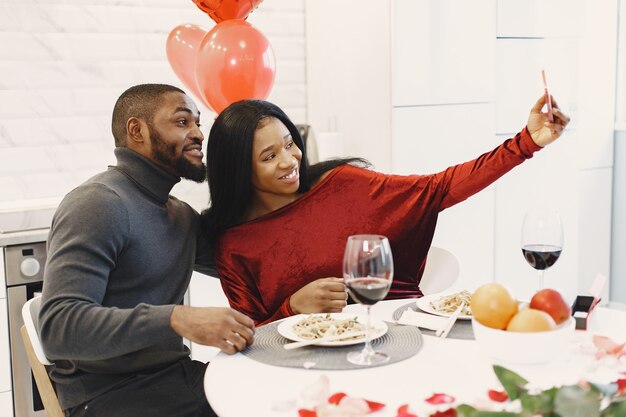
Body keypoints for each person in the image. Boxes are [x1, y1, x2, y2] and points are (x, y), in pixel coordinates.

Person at [201, 95, 570, 325]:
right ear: (239, 171)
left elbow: (440, 187)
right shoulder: (235, 244)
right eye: (269, 156)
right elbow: (246, 337)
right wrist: (293, 307)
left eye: (289, 144)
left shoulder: (343, 185)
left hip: (395, 338)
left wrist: (527, 142)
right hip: (304, 374)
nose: (289, 160)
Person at [39, 83, 255, 417]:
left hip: (173, 378)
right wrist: (175, 318)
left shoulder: (180, 215)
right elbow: (59, 327)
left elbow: (245, 265)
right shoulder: (98, 203)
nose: (198, 133)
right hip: (107, 394)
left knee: (279, 395)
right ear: (137, 130)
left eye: (199, 123)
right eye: (183, 122)